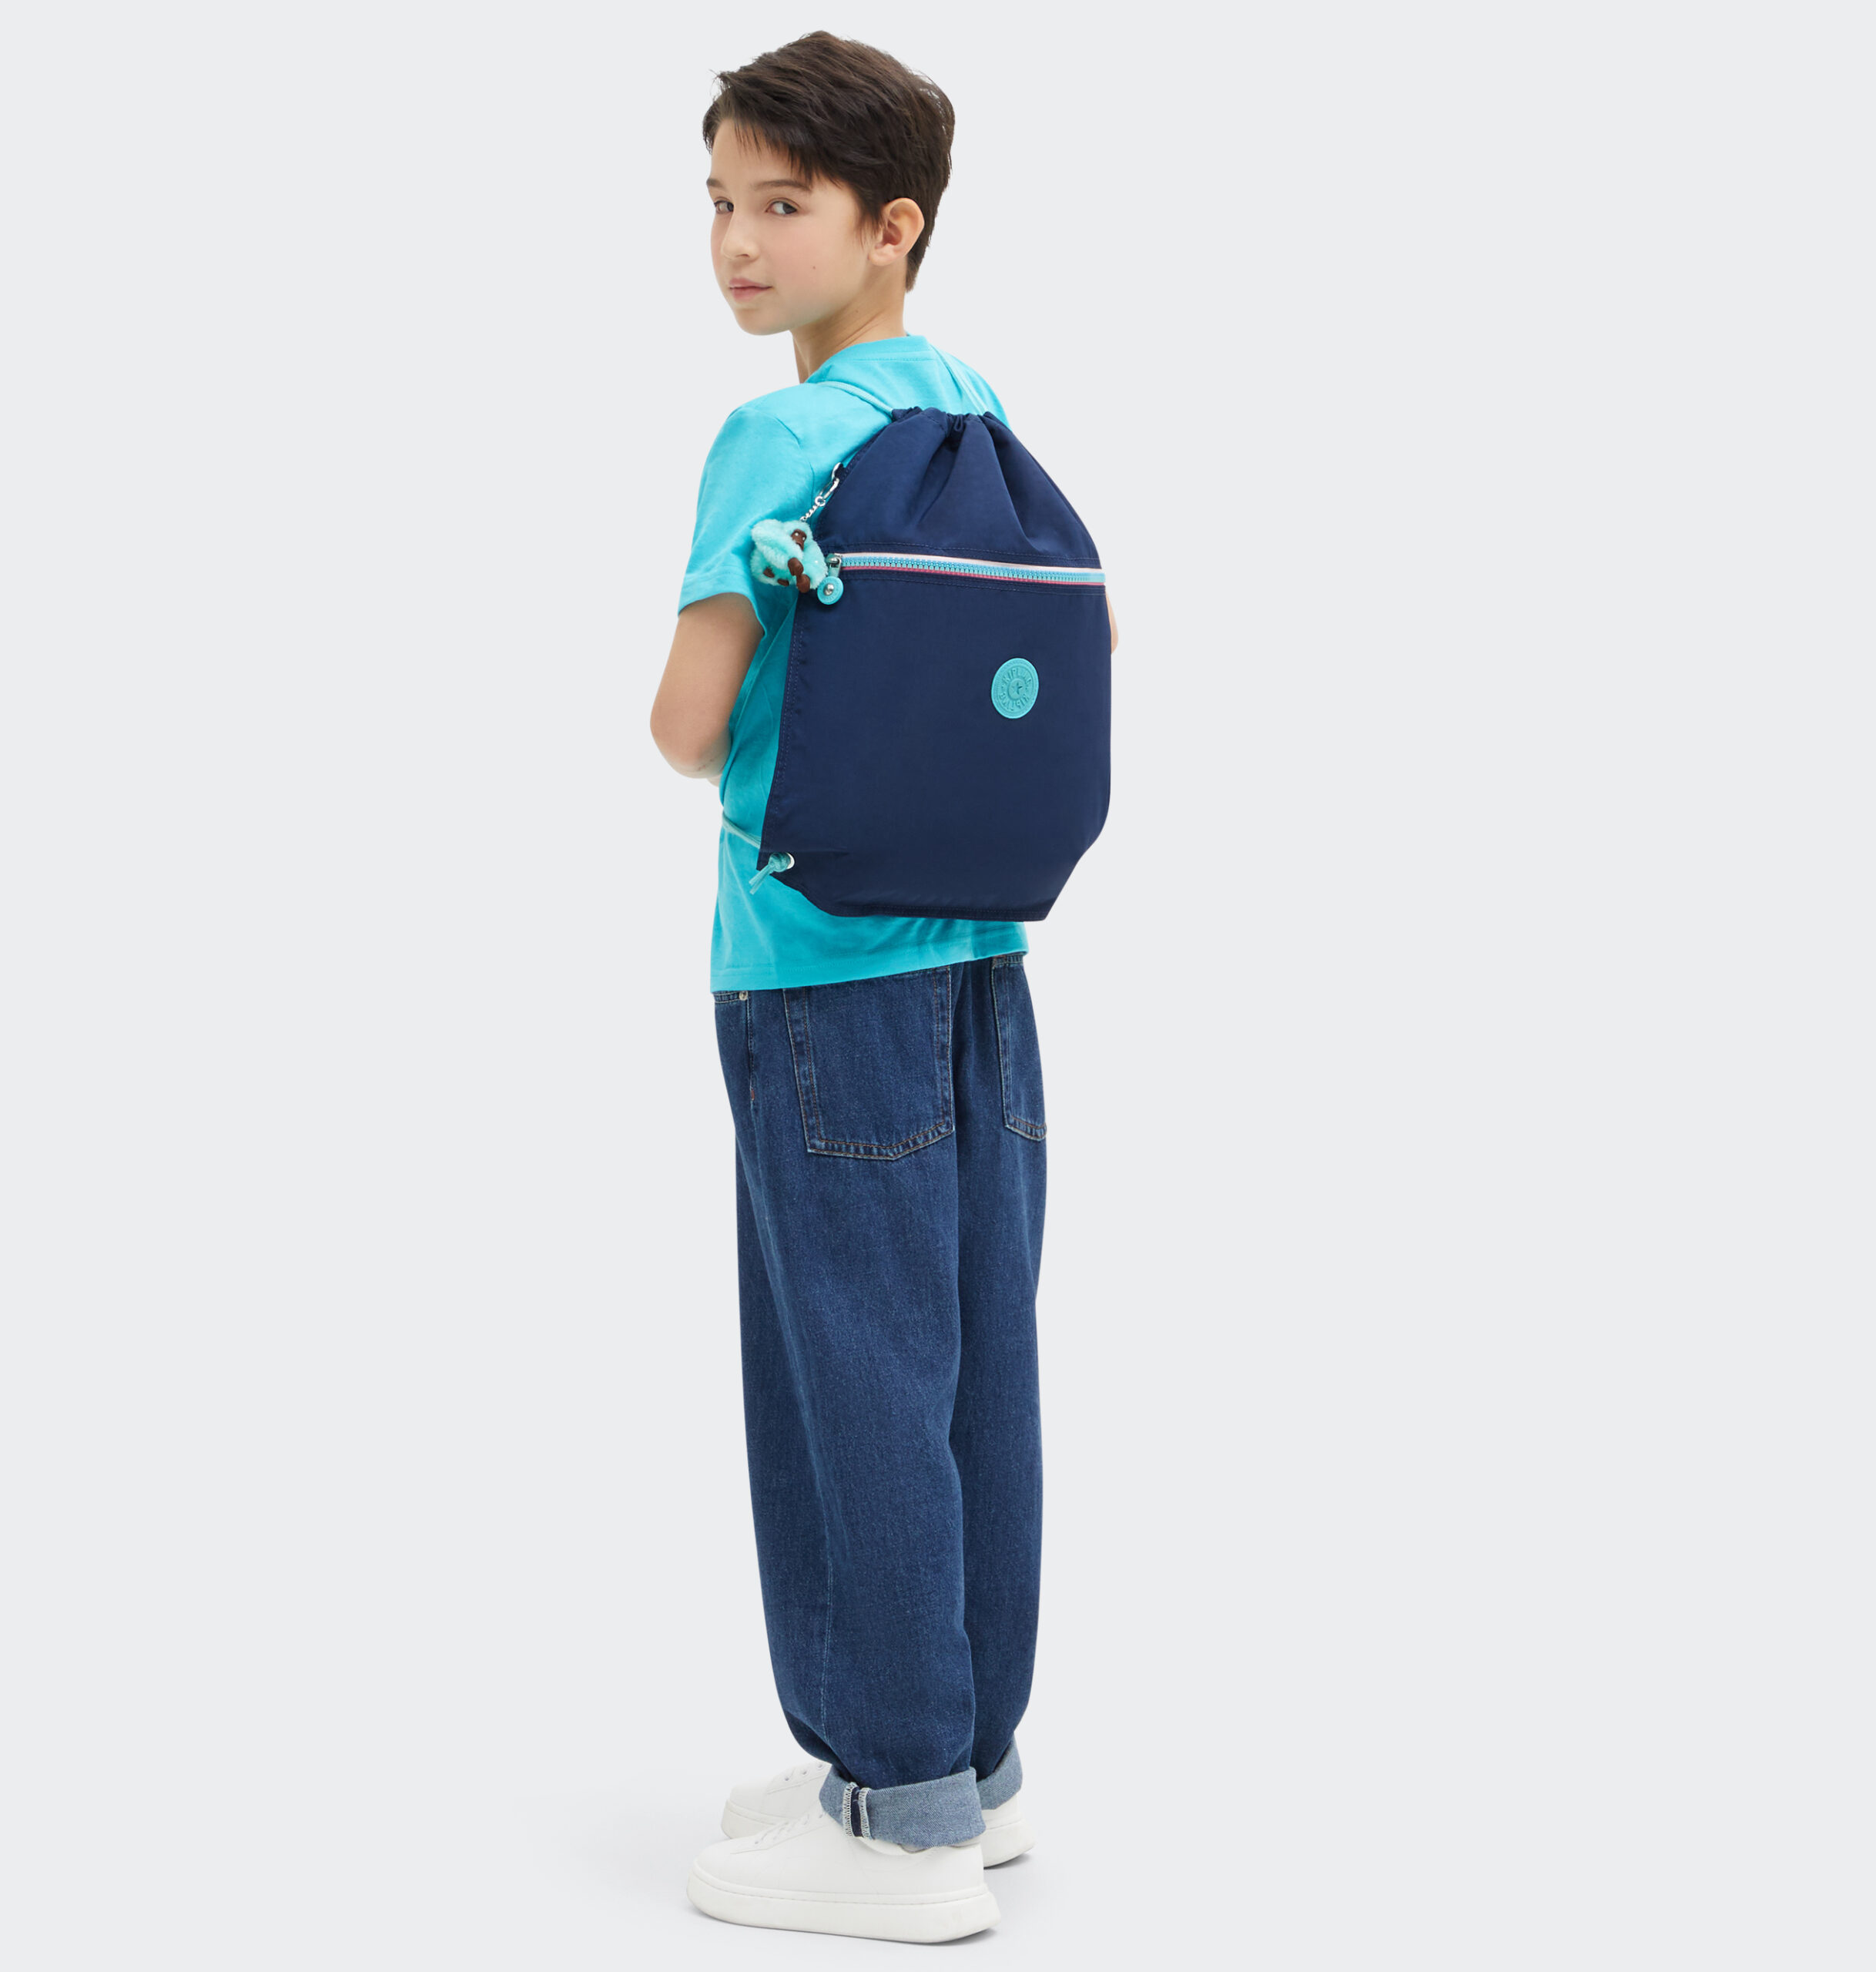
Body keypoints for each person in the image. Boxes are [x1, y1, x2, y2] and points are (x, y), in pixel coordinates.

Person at [649, 32, 1117, 1945]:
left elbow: (685, 729)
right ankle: (962, 1766)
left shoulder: (775, 441)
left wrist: (754, 607)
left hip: (816, 969)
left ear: (889, 224)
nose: (736, 242)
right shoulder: (975, 412)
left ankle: (892, 1805)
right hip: (984, 964)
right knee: (971, 1356)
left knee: (844, 1364)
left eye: (782, 204)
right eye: (717, 201)